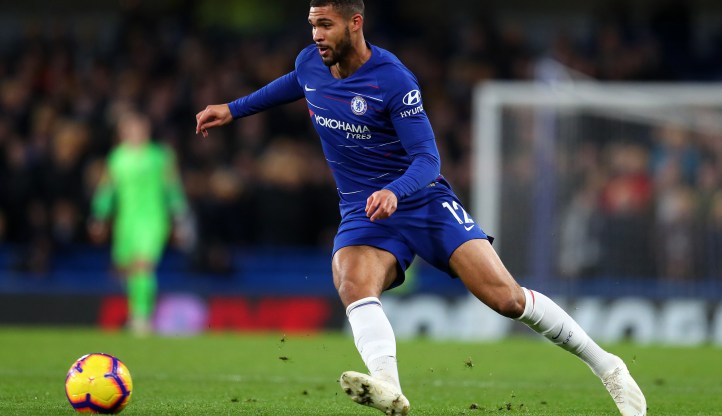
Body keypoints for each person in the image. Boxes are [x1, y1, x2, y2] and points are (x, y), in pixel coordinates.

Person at [195, 1, 647, 415]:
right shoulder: (310, 61)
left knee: (506, 299)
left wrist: (395, 190)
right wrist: (234, 109)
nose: (316, 34)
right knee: (352, 282)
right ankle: (388, 387)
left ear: (355, 23)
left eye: (325, 25)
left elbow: (429, 160)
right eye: (312, 24)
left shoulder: (393, 79)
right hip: (363, 210)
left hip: (422, 201)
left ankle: (609, 367)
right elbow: (295, 83)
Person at [89, 110, 189, 336]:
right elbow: (107, 189)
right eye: (129, 129)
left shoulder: (160, 156)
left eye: (139, 128)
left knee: (143, 265)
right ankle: (137, 312)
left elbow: (172, 188)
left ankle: (141, 318)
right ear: (122, 133)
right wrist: (98, 215)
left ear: (147, 131)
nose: (135, 133)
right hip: (126, 222)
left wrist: (180, 215)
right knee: (126, 270)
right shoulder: (117, 158)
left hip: (153, 219)